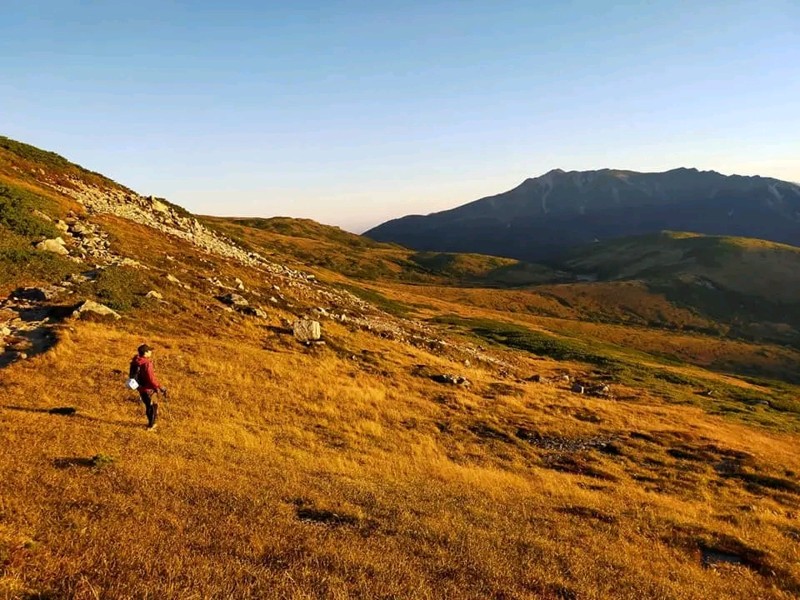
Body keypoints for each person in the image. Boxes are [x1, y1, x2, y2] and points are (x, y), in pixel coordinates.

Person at [129, 344, 167, 430]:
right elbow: (151, 378)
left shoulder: (135, 361)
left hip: (140, 388)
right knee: (153, 406)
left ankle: (151, 424)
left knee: (148, 406)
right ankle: (151, 426)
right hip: (149, 388)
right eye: (149, 350)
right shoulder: (146, 363)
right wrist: (160, 387)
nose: (151, 352)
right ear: (145, 353)